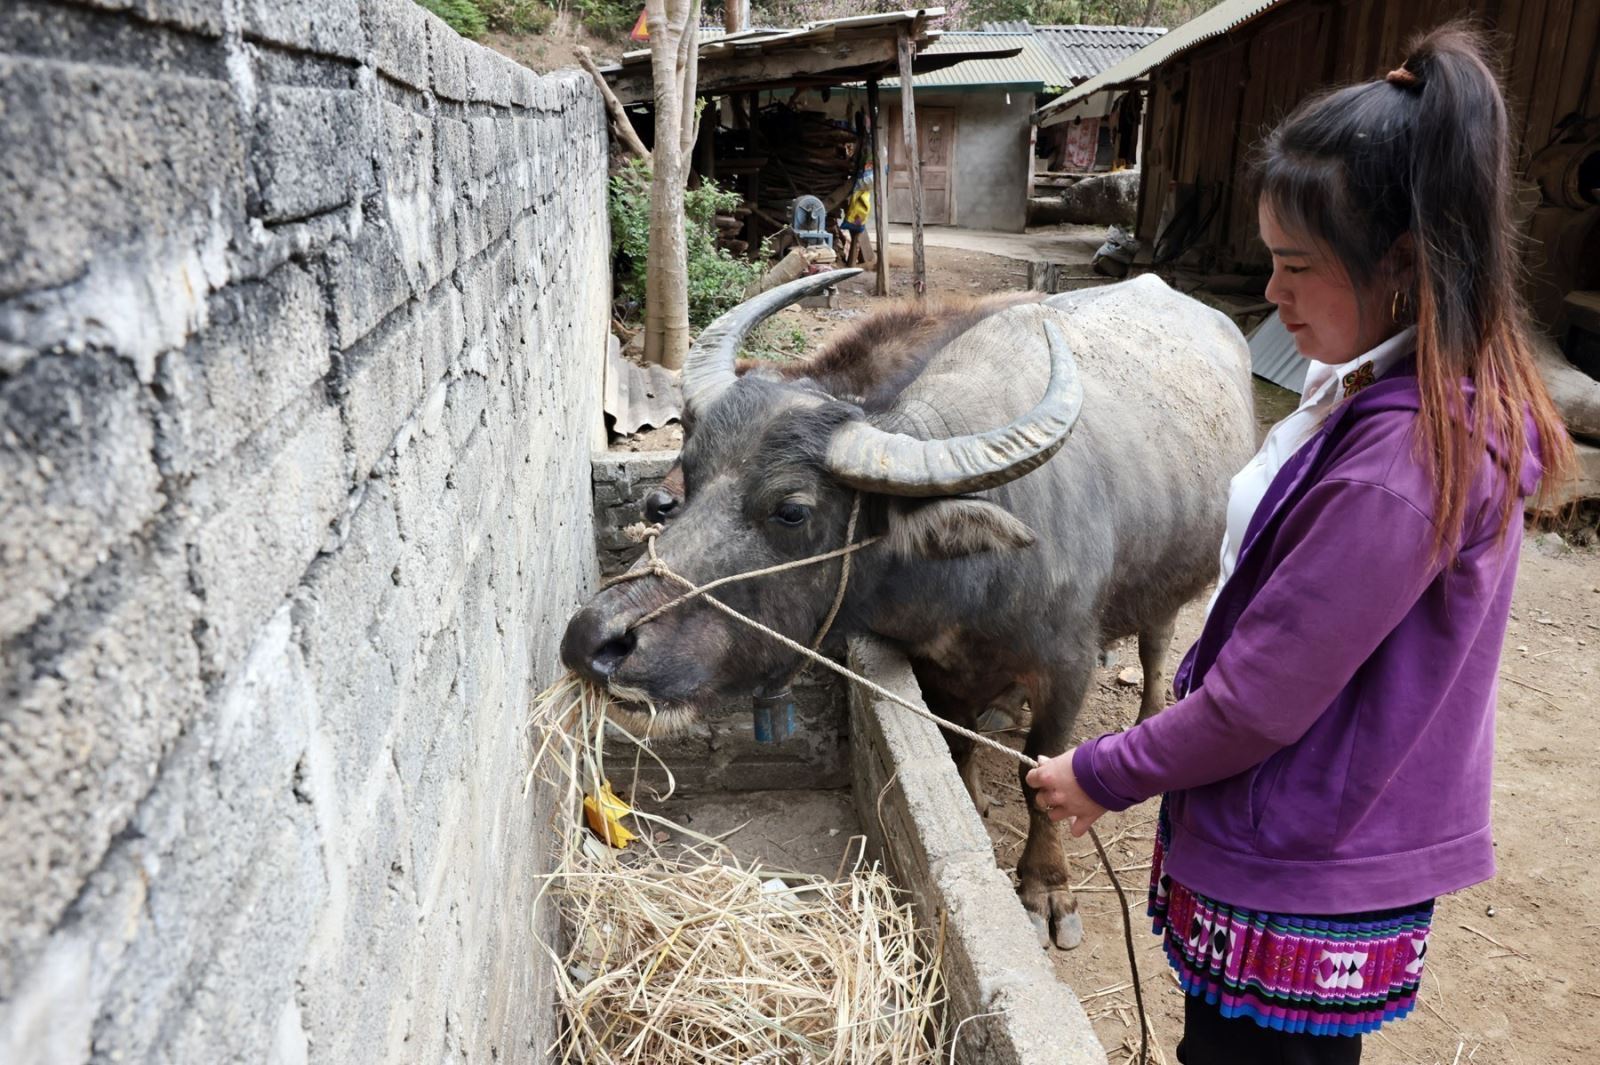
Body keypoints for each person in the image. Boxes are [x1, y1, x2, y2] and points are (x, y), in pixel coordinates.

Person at [1025, 23, 1575, 1065]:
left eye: (1293, 266)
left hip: (1304, 855)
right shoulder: (1401, 398)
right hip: (1320, 831)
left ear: (1405, 265)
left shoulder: (1398, 463)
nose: (1268, 295)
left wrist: (1102, 770)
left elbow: (1257, 701)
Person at [839, 163, 873, 267]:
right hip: (862, 182)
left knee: (856, 233)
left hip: (863, 183)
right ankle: (852, 261)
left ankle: (852, 261)